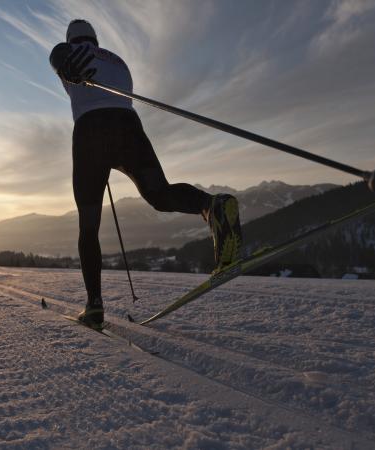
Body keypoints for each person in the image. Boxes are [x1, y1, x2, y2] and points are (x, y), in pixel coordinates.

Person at [49, 19, 242, 328]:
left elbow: (57, 55)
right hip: (129, 129)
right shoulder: (118, 61)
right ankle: (210, 205)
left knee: (89, 226)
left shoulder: (68, 52)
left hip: (90, 135)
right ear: (95, 40)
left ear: (72, 39)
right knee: (160, 194)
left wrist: (63, 62)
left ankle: (94, 305)